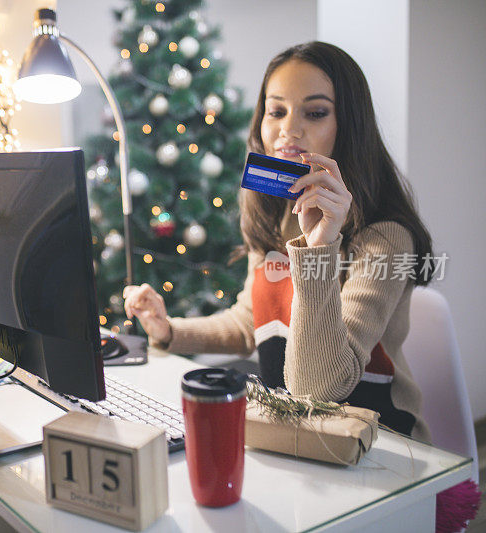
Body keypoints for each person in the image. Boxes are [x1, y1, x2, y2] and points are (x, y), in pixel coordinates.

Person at [123, 41, 435, 441]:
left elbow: (318, 387)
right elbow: (252, 322)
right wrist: (168, 330)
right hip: (294, 431)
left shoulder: (385, 238)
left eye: (316, 112)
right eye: (276, 111)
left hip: (376, 444)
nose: (289, 129)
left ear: (350, 126)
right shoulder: (277, 217)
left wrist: (318, 248)